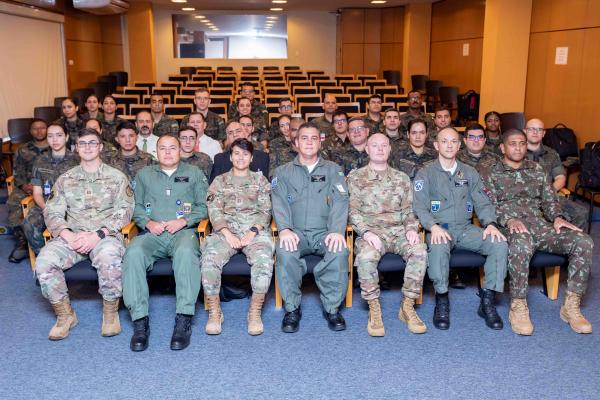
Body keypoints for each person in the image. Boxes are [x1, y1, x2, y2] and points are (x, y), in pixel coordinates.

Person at [480, 129, 593, 335]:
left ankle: (571, 306)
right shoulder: (491, 173)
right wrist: (508, 218)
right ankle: (518, 305)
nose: (518, 147)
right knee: (522, 243)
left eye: (522, 143)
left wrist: (557, 217)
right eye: (512, 143)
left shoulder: (537, 169)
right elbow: (488, 205)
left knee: (583, 241)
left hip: (540, 225)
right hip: (510, 226)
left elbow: (550, 201)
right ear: (503, 148)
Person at [34, 128, 133, 340]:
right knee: (44, 262)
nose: (87, 147)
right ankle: (65, 315)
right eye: (83, 144)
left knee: (109, 257)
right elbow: (52, 211)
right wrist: (68, 235)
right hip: (73, 236)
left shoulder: (116, 178)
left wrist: (98, 234)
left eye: (92, 143)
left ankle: (110, 313)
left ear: (101, 147)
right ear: (77, 148)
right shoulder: (65, 179)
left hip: (104, 235)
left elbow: (125, 211)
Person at [413, 127, 508, 330]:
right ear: (437, 145)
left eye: (453, 141)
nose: (449, 145)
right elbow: (419, 206)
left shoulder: (469, 172)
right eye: (444, 141)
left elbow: (482, 202)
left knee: (498, 243)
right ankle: (442, 300)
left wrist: (490, 224)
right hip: (440, 228)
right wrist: (433, 226)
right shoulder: (426, 172)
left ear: (459, 145)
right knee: (438, 247)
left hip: (465, 228)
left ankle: (488, 301)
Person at [122, 135, 208, 352]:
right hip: (153, 233)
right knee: (132, 253)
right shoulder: (144, 175)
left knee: (187, 253)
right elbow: (135, 207)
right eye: (163, 148)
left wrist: (184, 221)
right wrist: (147, 223)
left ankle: (183, 319)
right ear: (155, 152)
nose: (168, 152)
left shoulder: (194, 173)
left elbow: (205, 206)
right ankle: (140, 322)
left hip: (183, 232)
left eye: (173, 148)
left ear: (181, 150)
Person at [272, 121, 350, 333]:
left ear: (320, 142)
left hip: (324, 232)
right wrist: (285, 229)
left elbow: (341, 200)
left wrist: (336, 230)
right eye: (304, 138)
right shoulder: (283, 172)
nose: (309, 142)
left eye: (313, 138)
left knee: (340, 251)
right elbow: (278, 202)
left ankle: (332, 308)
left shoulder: (334, 170)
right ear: (295, 143)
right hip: (295, 232)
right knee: (285, 253)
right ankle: (292, 308)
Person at [348, 133, 428, 336]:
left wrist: (411, 228)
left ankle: (407, 305)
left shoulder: (401, 178)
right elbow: (352, 212)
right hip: (372, 232)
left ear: (390, 149)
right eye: (375, 145)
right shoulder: (356, 178)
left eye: (384, 145)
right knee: (365, 257)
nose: (380, 149)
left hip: (399, 231)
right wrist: (365, 232)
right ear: (367, 149)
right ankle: (374, 308)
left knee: (419, 251)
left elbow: (409, 210)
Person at [201, 138, 274, 336]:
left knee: (264, 260)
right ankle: (215, 313)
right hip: (226, 231)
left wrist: (253, 231)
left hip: (254, 231)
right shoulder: (220, 181)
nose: (240, 157)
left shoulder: (260, 181)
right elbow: (214, 210)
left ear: (251, 158)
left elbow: (266, 210)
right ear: (231, 157)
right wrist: (227, 233)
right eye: (236, 153)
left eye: (245, 154)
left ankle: (254, 312)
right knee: (209, 260)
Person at [22, 124, 79, 255]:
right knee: (29, 223)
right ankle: (45, 256)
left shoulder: (77, 160)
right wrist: (47, 209)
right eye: (50, 136)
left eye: (59, 135)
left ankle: (71, 256)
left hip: (72, 207)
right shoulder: (40, 161)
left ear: (66, 137)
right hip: (46, 205)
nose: (55, 140)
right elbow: (37, 193)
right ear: (47, 139)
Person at [525, 118, 588, 230]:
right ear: (525, 131)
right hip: (523, 197)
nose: (535, 132)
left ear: (543, 133)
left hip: (549, 196)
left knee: (581, 213)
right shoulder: (515, 151)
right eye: (531, 129)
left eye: (539, 129)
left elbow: (560, 178)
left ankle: (563, 241)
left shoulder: (552, 154)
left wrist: (547, 193)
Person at [7, 119, 49, 262]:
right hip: (27, 186)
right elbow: (18, 172)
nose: (39, 131)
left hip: (48, 187)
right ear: (30, 131)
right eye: (35, 128)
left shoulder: (54, 147)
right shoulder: (22, 149)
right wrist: (24, 185)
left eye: (42, 128)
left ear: (47, 129)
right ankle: (23, 242)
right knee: (14, 204)